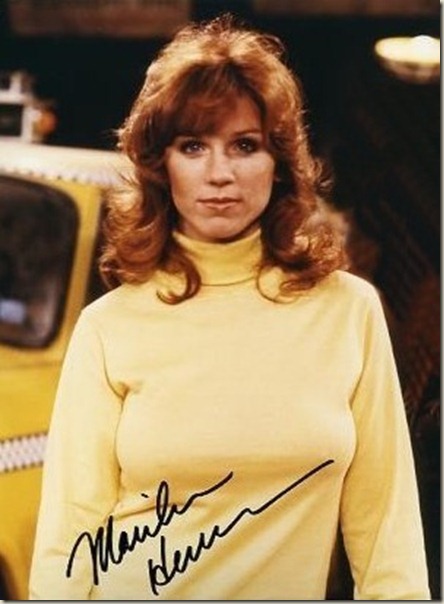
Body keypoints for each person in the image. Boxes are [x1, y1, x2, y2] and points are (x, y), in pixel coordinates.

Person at [29, 14, 430, 600]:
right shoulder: (109, 328)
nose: (219, 174)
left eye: (245, 145)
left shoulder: (348, 312)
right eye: (193, 146)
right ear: (162, 165)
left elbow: (388, 531)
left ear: (279, 163)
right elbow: (68, 541)